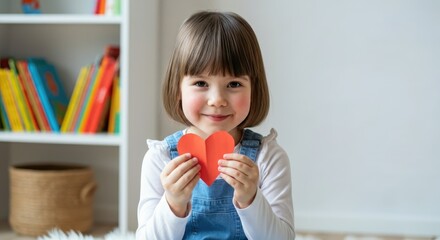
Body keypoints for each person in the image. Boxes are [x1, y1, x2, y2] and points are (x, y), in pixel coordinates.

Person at [136, 10, 295, 240]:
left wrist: (251, 199)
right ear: (178, 88)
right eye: (201, 82)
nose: (217, 99)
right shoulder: (160, 159)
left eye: (233, 83)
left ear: (254, 88)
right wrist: (173, 203)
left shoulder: (268, 157)